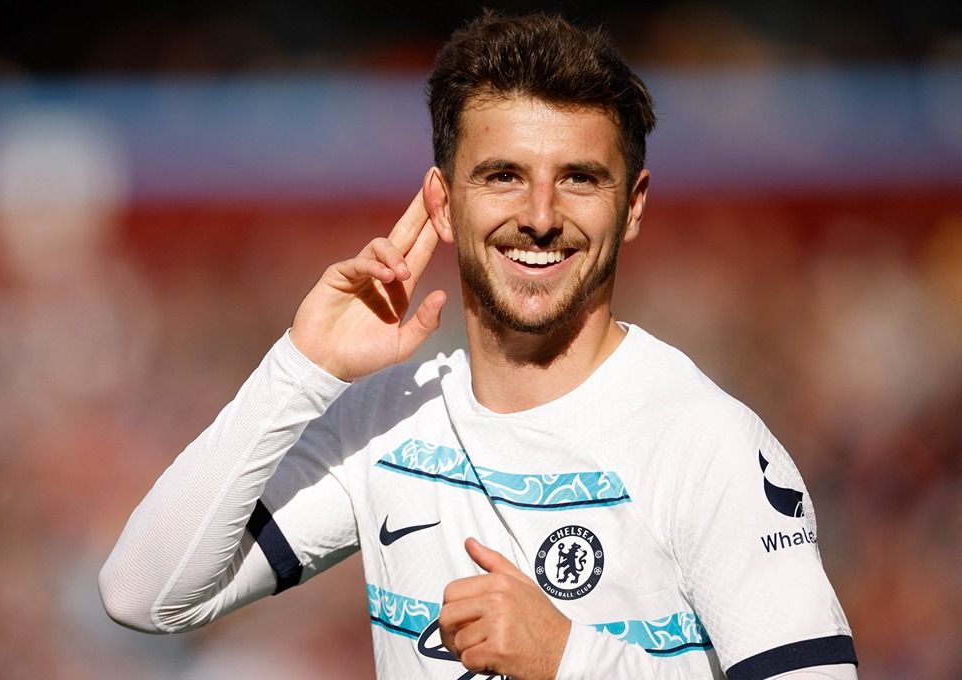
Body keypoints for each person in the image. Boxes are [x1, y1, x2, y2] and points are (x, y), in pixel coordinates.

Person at [100, 12, 858, 679]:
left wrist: (572, 660)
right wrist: (301, 368)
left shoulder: (706, 443)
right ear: (442, 200)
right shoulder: (390, 419)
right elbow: (145, 595)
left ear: (633, 207)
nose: (539, 215)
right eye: (502, 175)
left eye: (579, 180)